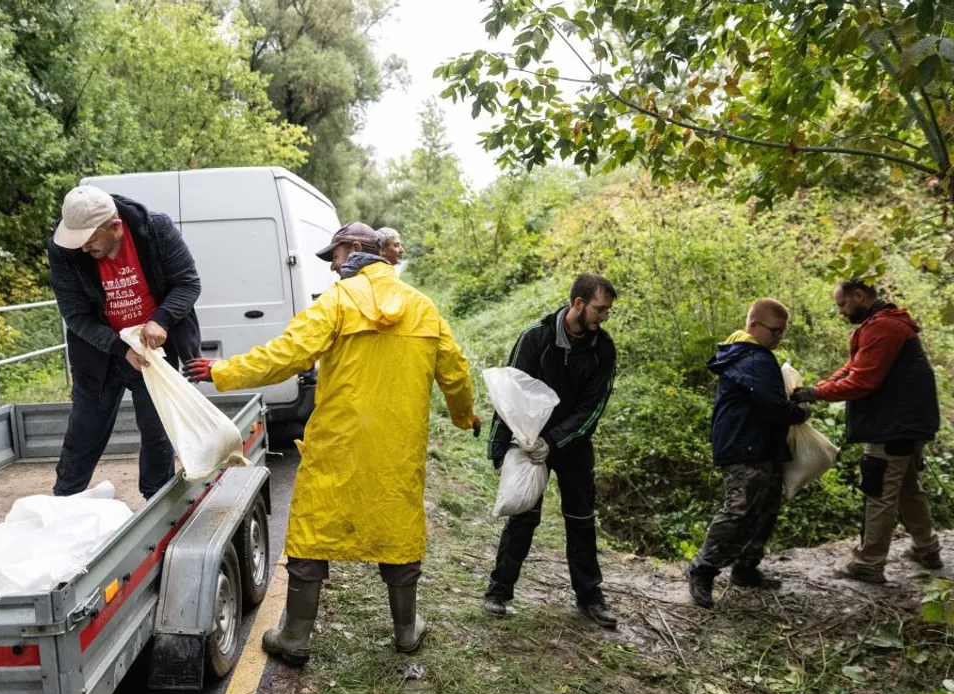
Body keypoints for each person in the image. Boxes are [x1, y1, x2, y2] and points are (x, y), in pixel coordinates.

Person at [184, 222, 480, 666]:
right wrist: (463, 416)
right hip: (397, 450)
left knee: (312, 532)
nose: (333, 268)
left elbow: (287, 354)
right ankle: (405, 631)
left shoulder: (338, 304)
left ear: (357, 250)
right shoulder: (423, 308)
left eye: (336, 257)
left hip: (336, 444)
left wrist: (223, 372)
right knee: (398, 529)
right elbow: (455, 372)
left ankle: (296, 637)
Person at [483, 274, 619, 629]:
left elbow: (592, 408)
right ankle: (499, 591)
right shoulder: (536, 338)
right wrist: (500, 448)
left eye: (607, 311)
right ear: (578, 303)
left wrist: (555, 441)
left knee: (581, 519)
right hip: (529, 440)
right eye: (600, 309)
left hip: (572, 445)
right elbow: (510, 392)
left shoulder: (602, 349)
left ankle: (589, 596)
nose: (604, 316)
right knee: (523, 515)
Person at [48, 185, 201, 499]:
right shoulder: (63, 249)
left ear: (115, 227)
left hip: (154, 351)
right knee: (85, 429)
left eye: (89, 240)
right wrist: (120, 348)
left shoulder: (156, 230)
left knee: (155, 430)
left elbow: (187, 283)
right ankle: (65, 498)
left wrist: (161, 319)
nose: (81, 248)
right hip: (100, 352)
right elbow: (75, 314)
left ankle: (156, 504)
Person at [790, 280, 943, 583]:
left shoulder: (883, 327)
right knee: (907, 488)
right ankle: (928, 549)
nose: (842, 312)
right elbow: (853, 367)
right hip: (907, 424)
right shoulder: (887, 323)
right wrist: (818, 388)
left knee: (878, 490)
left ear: (859, 296)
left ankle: (869, 563)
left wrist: (816, 394)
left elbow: (862, 381)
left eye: (843, 305)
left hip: (892, 426)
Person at [686, 299, 810, 609]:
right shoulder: (753, 358)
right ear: (754, 326)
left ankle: (745, 567)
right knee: (738, 510)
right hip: (744, 446)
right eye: (774, 331)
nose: (778, 337)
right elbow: (772, 405)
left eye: (783, 332)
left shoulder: (752, 355)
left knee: (766, 507)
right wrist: (799, 412)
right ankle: (702, 569)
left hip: (761, 445)